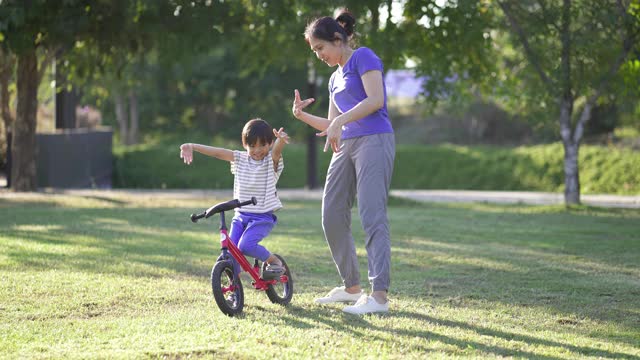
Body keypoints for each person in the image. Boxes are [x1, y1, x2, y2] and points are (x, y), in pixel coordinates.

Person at [292, 9, 395, 314]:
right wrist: (301, 115)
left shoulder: (363, 57)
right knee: (332, 214)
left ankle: (378, 298)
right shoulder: (334, 78)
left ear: (338, 39)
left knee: (371, 214)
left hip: (374, 140)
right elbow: (331, 124)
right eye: (314, 51)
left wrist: (340, 123)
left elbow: (376, 100)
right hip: (345, 145)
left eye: (320, 48)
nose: (318, 55)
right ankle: (352, 288)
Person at [179, 118, 290, 278]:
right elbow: (217, 152)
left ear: (270, 143)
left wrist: (281, 141)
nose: (257, 150)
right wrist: (192, 146)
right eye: (252, 146)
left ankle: (274, 261)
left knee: (245, 246)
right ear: (245, 145)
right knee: (231, 250)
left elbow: (277, 152)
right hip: (240, 216)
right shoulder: (240, 159)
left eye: (262, 145)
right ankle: (234, 288)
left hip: (262, 218)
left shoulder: (269, 162)